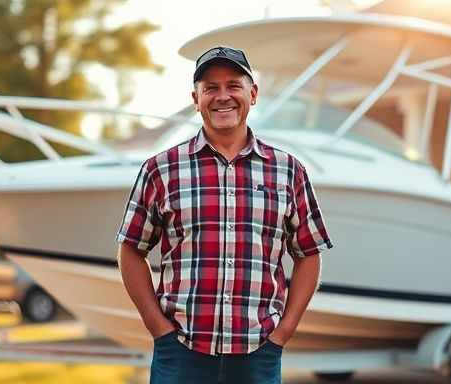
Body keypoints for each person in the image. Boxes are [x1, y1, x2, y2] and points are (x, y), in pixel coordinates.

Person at [116, 46, 333, 384]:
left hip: (259, 352)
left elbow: (309, 254)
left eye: (233, 85)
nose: (222, 97)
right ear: (195, 98)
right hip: (180, 352)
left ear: (253, 93)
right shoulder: (161, 170)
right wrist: (157, 327)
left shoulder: (289, 172)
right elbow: (130, 249)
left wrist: (284, 331)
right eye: (210, 88)